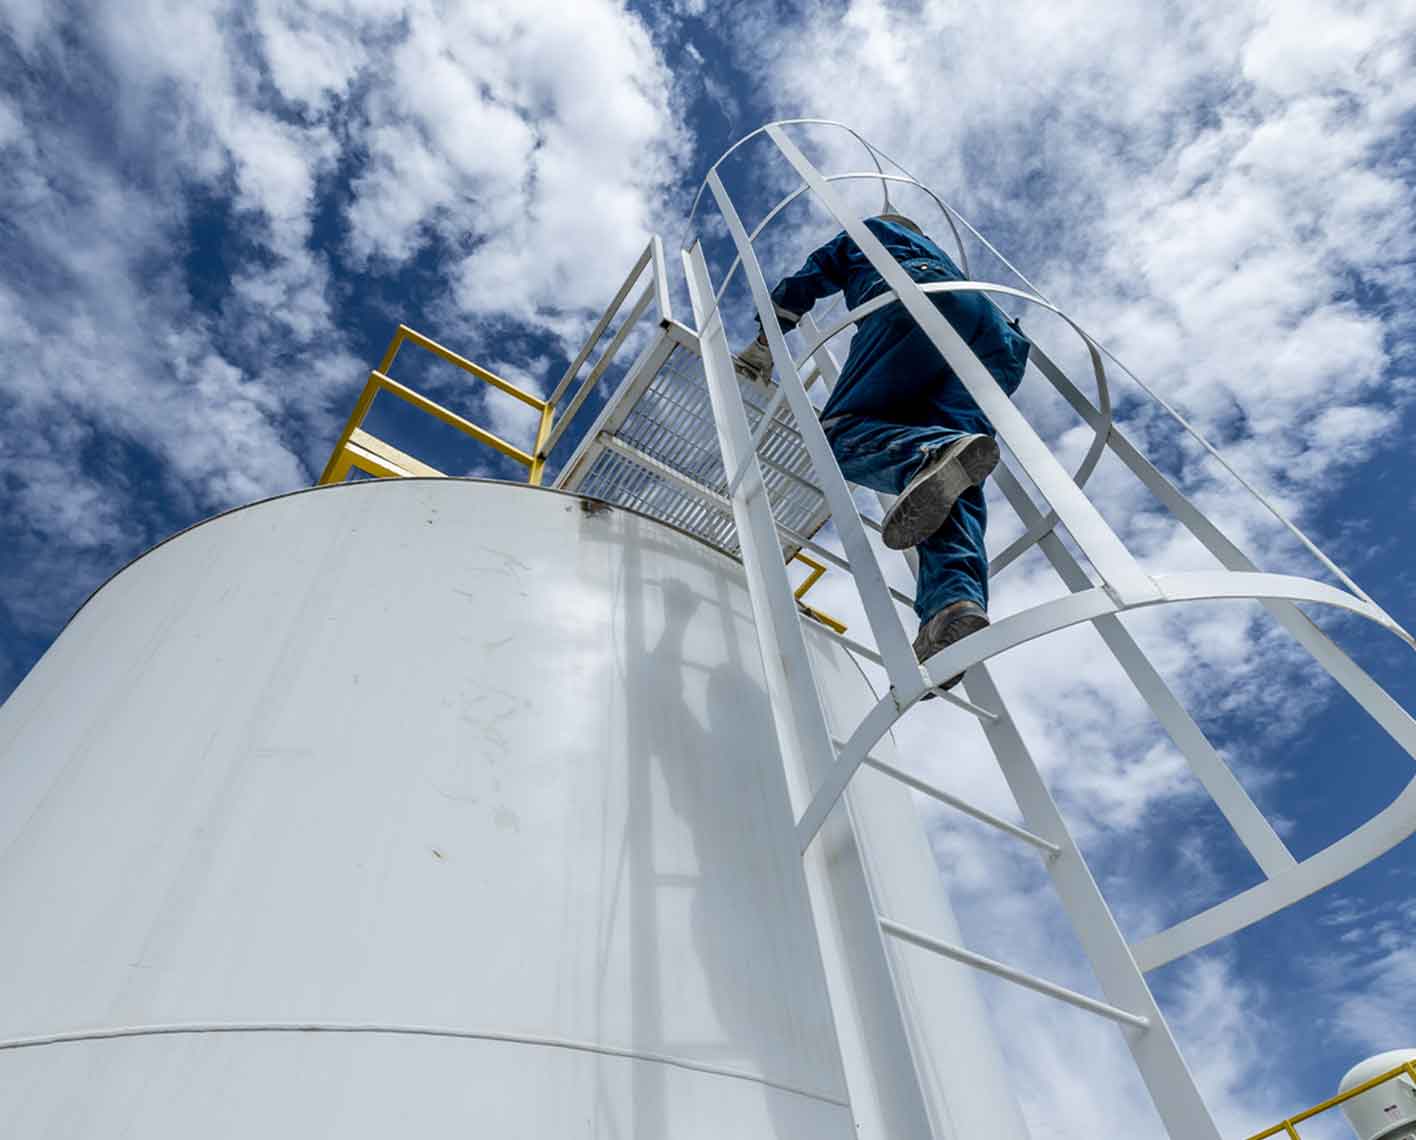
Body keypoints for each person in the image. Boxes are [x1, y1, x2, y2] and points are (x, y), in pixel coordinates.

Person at [734, 213, 1030, 690]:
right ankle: (951, 606)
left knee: (838, 436)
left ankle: (923, 456)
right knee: (954, 471)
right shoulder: (936, 250)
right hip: (996, 339)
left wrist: (764, 345)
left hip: (916, 301)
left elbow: (802, 284)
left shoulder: (870, 232)